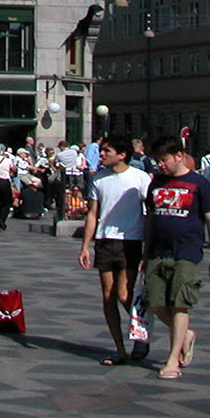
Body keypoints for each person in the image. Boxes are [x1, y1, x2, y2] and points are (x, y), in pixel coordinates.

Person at [144, 137, 210, 380]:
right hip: (158, 251)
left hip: (187, 252)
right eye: (158, 160)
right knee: (156, 303)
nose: (160, 165)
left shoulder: (198, 183)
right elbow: (150, 218)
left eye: (164, 160)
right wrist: (145, 252)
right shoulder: (156, 183)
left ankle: (172, 359)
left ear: (179, 156)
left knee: (180, 303)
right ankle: (186, 335)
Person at [78, 135, 153, 365]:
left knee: (124, 293)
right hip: (105, 240)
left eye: (106, 151)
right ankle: (120, 349)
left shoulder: (139, 178)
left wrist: (148, 247)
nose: (101, 155)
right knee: (108, 295)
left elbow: (150, 213)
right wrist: (85, 246)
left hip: (130, 240)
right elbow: (92, 213)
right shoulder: (99, 179)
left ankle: (141, 332)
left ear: (122, 155)